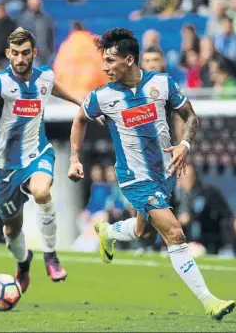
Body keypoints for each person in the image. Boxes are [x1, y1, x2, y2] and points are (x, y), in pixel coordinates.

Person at [68, 28, 235, 320]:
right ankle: (210, 301)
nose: (104, 67)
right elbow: (80, 118)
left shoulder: (162, 84)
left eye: (110, 60)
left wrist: (184, 144)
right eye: (103, 61)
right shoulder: (103, 96)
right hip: (134, 177)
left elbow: (191, 116)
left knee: (144, 230)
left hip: (164, 173)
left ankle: (107, 231)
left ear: (129, 60)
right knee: (174, 231)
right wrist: (73, 157)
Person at [0, 27, 84, 293]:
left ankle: (51, 255)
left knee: (42, 192)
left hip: (37, 153)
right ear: (8, 54)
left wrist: (79, 101)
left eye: (25, 53)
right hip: (4, 166)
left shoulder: (45, 77)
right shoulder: (1, 81)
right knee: (11, 229)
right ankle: (23, 260)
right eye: (15, 53)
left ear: (34, 53)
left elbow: (52, 85)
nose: (20, 59)